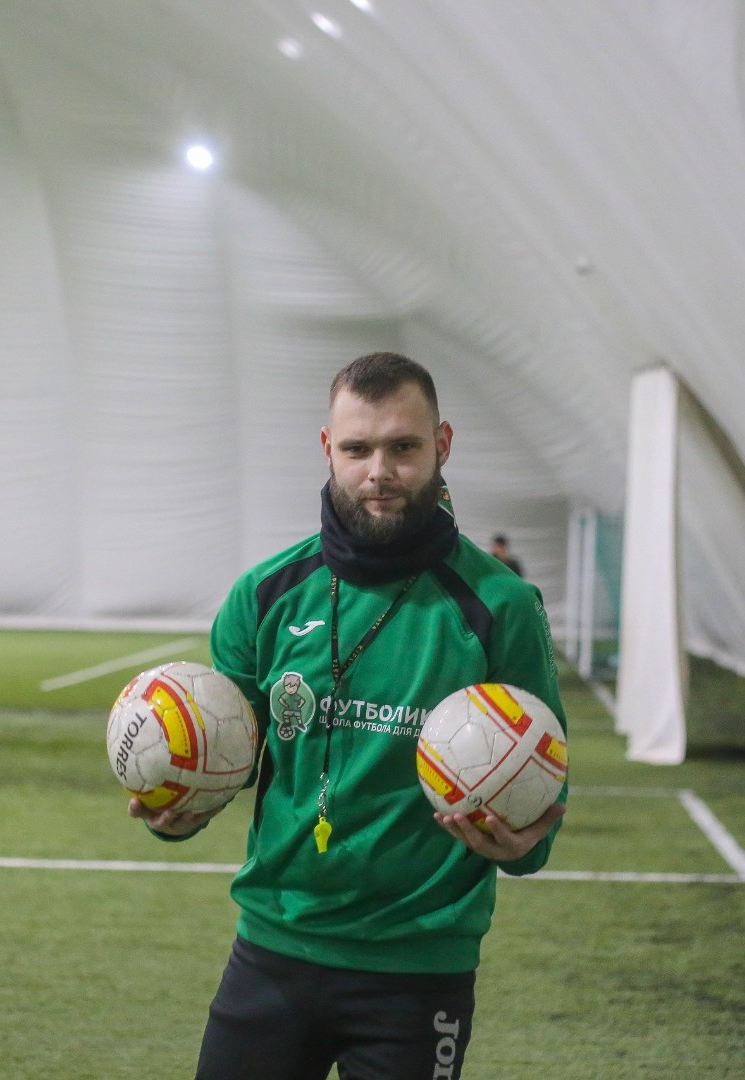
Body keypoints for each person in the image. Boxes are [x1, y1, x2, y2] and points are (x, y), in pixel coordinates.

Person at [131, 352, 567, 1080]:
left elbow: (542, 797)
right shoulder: (264, 596)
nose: (379, 472)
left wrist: (521, 844)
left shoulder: (500, 606)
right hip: (271, 951)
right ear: (328, 448)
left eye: (404, 447)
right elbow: (222, 759)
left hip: (418, 969)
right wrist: (178, 811)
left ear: (442, 445)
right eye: (358, 449)